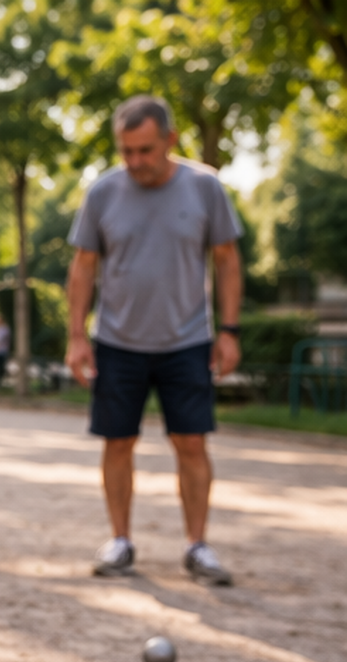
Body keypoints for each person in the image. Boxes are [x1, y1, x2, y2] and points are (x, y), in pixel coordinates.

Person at [65, 95, 242, 585]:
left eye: (145, 150)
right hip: (117, 341)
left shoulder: (205, 187)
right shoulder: (102, 192)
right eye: (127, 151)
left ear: (171, 139)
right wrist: (77, 336)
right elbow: (83, 267)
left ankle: (197, 546)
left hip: (188, 340)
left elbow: (227, 260)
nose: (136, 162)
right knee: (117, 442)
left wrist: (229, 331)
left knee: (191, 442)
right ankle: (120, 541)